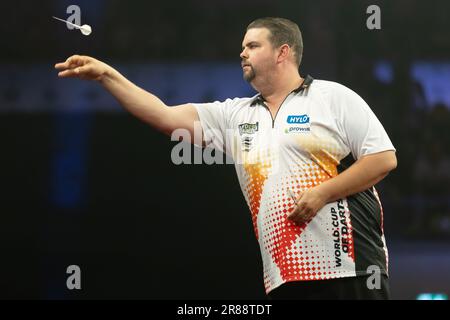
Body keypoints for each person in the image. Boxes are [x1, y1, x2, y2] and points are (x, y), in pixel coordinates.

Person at [55, 17, 397, 300]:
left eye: (252, 45)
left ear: (282, 52)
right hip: (284, 277)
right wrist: (106, 76)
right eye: (243, 46)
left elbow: (382, 159)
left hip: (350, 267)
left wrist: (322, 193)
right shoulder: (235, 115)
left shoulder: (332, 97)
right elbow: (163, 116)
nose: (242, 52)